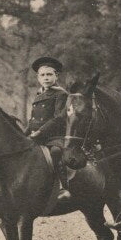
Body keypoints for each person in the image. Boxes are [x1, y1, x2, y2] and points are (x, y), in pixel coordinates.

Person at [26, 56, 72, 201]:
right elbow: (33, 120)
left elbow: (59, 118)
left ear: (56, 76)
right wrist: (24, 134)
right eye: (43, 75)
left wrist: (40, 132)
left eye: (49, 74)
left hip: (54, 136)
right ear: (38, 78)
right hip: (36, 135)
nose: (46, 78)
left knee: (56, 152)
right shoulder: (39, 94)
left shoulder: (61, 94)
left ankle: (63, 187)